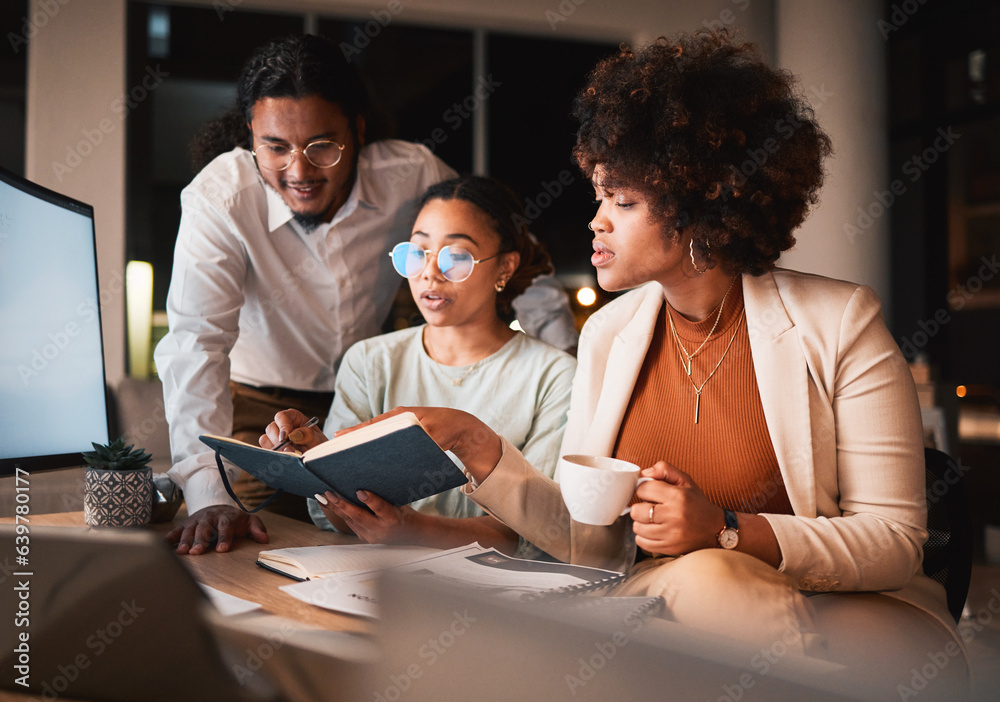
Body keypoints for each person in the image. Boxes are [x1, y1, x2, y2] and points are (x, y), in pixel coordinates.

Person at [270, 29, 969, 697]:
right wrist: (474, 444)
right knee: (681, 593)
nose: (596, 220)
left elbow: (894, 541)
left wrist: (725, 529)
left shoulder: (839, 322)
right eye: (598, 194)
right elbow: (584, 536)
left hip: (831, 604)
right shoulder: (610, 334)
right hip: (656, 599)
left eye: (622, 201)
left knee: (712, 581)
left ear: (706, 207)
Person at [154, 34, 578, 555]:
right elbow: (196, 343)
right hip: (261, 407)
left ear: (357, 128)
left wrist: (573, 359)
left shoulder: (409, 174)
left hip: (368, 397)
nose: (300, 171)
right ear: (251, 135)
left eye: (322, 146)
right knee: (253, 551)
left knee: (382, 538)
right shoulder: (220, 199)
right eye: (276, 147)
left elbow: (492, 239)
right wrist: (206, 497)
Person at [265, 175, 576, 557]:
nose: (430, 273)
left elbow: (536, 532)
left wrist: (412, 530)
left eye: (456, 256)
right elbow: (344, 521)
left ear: (504, 267)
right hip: (375, 581)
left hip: (497, 595)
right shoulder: (369, 362)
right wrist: (317, 462)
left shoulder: (554, 377)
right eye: (417, 253)